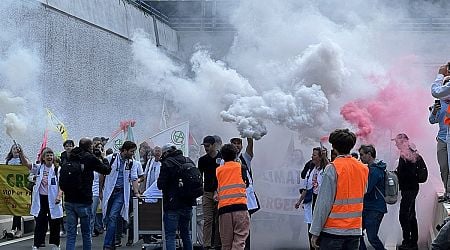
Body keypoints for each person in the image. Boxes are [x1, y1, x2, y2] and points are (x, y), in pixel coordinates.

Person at [310, 128, 369, 250]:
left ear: (334, 148)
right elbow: (363, 192)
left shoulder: (333, 168)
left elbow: (323, 203)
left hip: (333, 231)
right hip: (354, 230)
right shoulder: (363, 168)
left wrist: (315, 232)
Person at [61, 138, 111, 250]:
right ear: (90, 147)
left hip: (69, 199)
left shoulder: (69, 155)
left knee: (71, 233)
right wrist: (103, 157)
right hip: (84, 200)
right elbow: (106, 170)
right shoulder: (89, 158)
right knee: (86, 233)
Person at [101, 141, 141, 250]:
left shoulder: (132, 163)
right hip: (109, 191)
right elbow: (102, 173)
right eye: (131, 151)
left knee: (113, 216)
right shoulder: (111, 158)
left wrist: (136, 192)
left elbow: (134, 178)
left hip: (121, 193)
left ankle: (107, 245)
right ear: (124, 150)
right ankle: (112, 242)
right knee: (108, 218)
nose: (133, 153)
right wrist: (100, 190)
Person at [157, 143, 197, 250]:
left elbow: (160, 184)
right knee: (186, 234)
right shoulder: (188, 160)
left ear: (166, 152)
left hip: (172, 204)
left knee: (170, 236)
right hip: (188, 203)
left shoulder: (167, 163)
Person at [22, 147, 63, 250]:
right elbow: (26, 164)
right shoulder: (39, 167)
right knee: (40, 222)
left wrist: (59, 196)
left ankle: (55, 244)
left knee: (54, 223)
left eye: (51, 155)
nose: (49, 157)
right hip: (41, 199)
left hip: (53, 200)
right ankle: (37, 243)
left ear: (53, 157)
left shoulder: (57, 169)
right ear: (43, 158)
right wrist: (21, 153)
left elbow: (62, 185)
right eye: (47, 155)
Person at [392, 133, 426, 250]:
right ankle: (412, 241)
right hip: (411, 188)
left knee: (404, 215)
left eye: (397, 142)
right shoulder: (411, 152)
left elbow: (407, 173)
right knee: (411, 215)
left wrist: (397, 175)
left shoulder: (407, 154)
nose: (396, 144)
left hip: (409, 188)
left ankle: (408, 242)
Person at [215, 143, 250, 250]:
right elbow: (247, 183)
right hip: (240, 208)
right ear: (236, 155)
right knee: (239, 241)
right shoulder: (241, 168)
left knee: (226, 243)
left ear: (222, 156)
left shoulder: (218, 170)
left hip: (224, 209)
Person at [295, 147, 326, 250]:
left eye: (314, 155)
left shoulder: (326, 169)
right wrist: (299, 201)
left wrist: (325, 157)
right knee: (311, 231)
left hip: (321, 203)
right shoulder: (310, 170)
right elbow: (306, 188)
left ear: (320, 157)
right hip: (310, 203)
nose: (312, 157)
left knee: (320, 233)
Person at [230, 137, 258, 250]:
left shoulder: (244, 159)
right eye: (234, 143)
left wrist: (250, 137)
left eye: (239, 144)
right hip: (230, 199)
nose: (237, 146)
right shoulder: (225, 159)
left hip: (244, 200)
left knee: (244, 228)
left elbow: (250, 150)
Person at [358, 145, 387, 250]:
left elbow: (367, 188)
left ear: (369, 154)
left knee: (372, 237)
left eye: (362, 155)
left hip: (374, 208)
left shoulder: (374, 171)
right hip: (369, 207)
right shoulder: (372, 169)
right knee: (357, 233)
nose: (360, 158)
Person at [198, 135, 222, 249]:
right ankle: (206, 244)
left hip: (221, 192)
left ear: (213, 145)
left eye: (208, 146)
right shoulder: (202, 160)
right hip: (207, 192)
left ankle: (217, 243)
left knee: (219, 220)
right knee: (208, 219)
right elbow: (199, 176)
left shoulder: (222, 158)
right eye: (205, 146)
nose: (206, 148)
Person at [4, 143, 28, 238]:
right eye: (14, 148)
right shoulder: (8, 161)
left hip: (21, 188)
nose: (16, 150)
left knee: (17, 208)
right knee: (14, 208)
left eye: (18, 149)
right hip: (11, 188)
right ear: (11, 150)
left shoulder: (23, 161)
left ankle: (16, 229)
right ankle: (16, 229)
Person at [429, 97, 450, 202]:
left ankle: (449, 193)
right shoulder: (440, 104)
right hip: (442, 139)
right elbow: (432, 120)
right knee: (444, 167)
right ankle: (447, 191)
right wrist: (435, 111)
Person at [58, 139, 74, 237]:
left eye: (70, 146)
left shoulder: (76, 156)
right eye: (67, 146)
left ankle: (71, 227)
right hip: (63, 183)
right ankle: (63, 228)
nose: (68, 147)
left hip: (73, 184)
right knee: (62, 208)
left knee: (71, 208)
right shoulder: (62, 156)